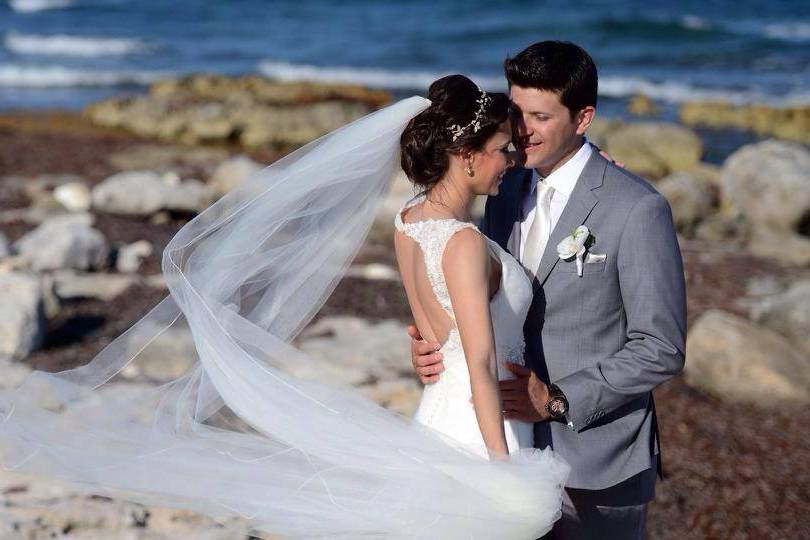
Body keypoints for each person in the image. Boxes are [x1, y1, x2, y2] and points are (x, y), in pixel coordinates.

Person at [0, 91, 568, 538]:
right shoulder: (465, 243)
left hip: (432, 424)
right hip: (484, 430)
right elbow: (477, 359)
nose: (510, 161)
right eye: (501, 150)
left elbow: (431, 328)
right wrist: (499, 470)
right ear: (466, 157)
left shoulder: (408, 222)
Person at [409, 41, 687, 539]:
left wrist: (558, 400)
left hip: (596, 464)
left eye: (539, 116)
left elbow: (661, 348)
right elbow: (473, 286)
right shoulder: (502, 188)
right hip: (504, 445)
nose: (521, 130)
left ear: (583, 118)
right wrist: (437, 341)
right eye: (515, 113)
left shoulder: (637, 209)